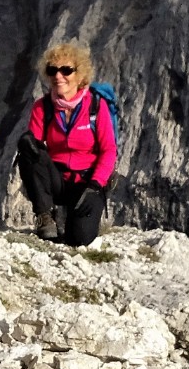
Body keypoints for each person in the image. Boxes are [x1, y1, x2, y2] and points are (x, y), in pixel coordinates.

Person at [16, 41, 117, 246]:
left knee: (79, 240)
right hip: (57, 180)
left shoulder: (96, 107)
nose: (58, 76)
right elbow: (33, 151)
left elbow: (109, 150)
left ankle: (72, 219)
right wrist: (29, 144)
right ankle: (45, 215)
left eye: (66, 70)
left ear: (80, 75)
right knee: (26, 144)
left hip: (87, 183)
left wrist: (96, 185)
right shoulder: (42, 107)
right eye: (52, 70)